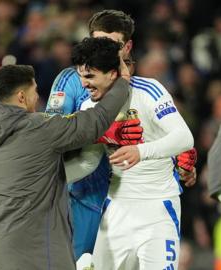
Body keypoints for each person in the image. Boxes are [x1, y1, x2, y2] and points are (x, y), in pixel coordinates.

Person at [44, 9, 197, 264]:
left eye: (110, 45)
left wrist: (172, 155)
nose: (102, 50)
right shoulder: (77, 87)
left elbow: (179, 135)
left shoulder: (147, 89)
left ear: (126, 48)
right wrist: (100, 133)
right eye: (97, 42)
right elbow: (55, 139)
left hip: (153, 203)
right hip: (89, 199)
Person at [0, 64, 130, 269]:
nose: (37, 97)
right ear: (21, 97)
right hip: (33, 253)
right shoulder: (37, 128)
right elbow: (94, 121)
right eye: (35, 91)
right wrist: (122, 83)